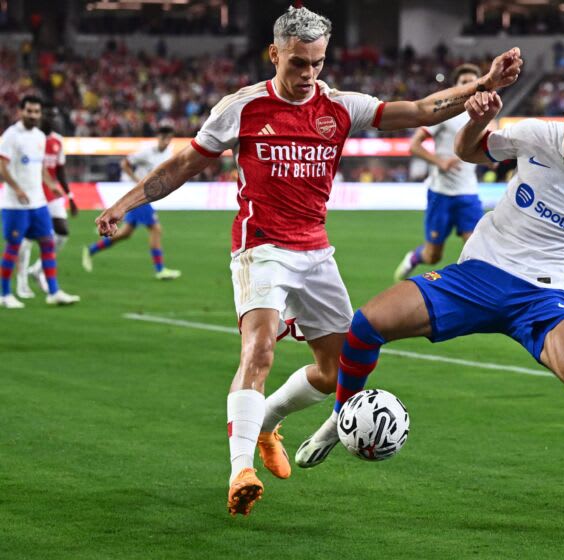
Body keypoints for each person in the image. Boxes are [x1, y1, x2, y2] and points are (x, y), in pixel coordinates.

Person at [93, 6, 522, 517]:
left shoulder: (340, 106)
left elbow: (423, 110)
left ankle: (268, 424)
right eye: (298, 62)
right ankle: (240, 470)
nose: (308, 73)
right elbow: (183, 165)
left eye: (317, 62)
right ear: (274, 54)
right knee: (259, 350)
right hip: (260, 248)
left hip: (316, 252)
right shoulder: (241, 107)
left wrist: (487, 82)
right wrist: (123, 204)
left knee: (337, 370)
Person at [297, 75, 564, 535]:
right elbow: (468, 151)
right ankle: (340, 417)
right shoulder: (536, 134)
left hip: (542, 297)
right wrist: (477, 122)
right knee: (366, 324)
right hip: (477, 275)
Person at [393, 63, 485, 282]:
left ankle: (465, 292)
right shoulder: (444, 112)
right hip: (441, 193)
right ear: (457, 86)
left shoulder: (484, 115)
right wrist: (440, 162)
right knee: (433, 256)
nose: (469, 85)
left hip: (468, 194)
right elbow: (414, 145)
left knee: (476, 250)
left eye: (473, 81)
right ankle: (413, 258)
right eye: (464, 82)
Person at [0, 95, 79, 308]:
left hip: (38, 202)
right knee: (13, 247)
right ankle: (4, 294)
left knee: (48, 243)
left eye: (36, 112)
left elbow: (40, 166)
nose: (33, 115)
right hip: (15, 205)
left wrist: (51, 183)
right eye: (29, 111)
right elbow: (2, 166)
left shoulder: (39, 137)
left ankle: (53, 292)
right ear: (20, 111)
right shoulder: (11, 136)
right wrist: (16, 188)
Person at [82, 120, 182, 280]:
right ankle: (160, 270)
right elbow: (125, 163)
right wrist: (137, 181)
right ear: (158, 137)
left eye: (169, 138)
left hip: (148, 196)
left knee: (125, 233)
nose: (166, 141)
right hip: (139, 195)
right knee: (156, 229)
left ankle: (91, 249)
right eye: (164, 137)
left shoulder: (167, 154)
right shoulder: (146, 152)